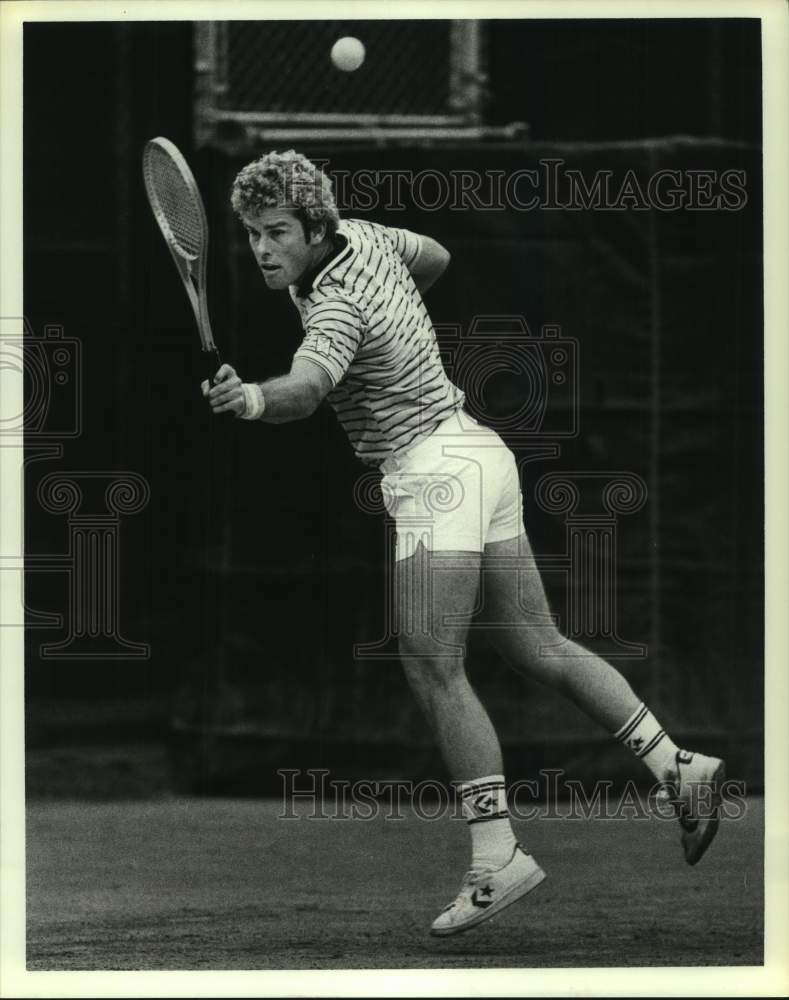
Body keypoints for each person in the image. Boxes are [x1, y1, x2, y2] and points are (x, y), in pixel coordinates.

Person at [202, 150, 726, 937]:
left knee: (431, 665)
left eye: (277, 232)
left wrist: (247, 398)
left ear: (316, 227)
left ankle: (496, 856)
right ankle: (676, 767)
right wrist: (400, 329)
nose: (262, 250)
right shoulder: (371, 238)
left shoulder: (336, 302)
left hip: (431, 471)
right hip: (479, 451)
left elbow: (306, 390)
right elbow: (437, 257)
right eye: (249, 235)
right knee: (536, 643)